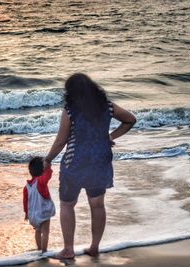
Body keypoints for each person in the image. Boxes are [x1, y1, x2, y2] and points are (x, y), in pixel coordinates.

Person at [43, 73, 136, 259]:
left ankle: (68, 249)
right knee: (97, 204)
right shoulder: (107, 106)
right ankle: (94, 247)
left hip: (75, 162)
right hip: (100, 160)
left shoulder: (70, 110)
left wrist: (48, 159)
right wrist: (110, 136)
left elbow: (61, 141)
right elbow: (130, 120)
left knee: (68, 204)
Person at [23, 156, 56, 253]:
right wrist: (48, 165)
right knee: (45, 232)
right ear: (42, 170)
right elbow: (48, 175)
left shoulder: (27, 187)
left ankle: (39, 249)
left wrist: (26, 214)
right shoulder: (41, 182)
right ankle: (44, 251)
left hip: (33, 215)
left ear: (30, 172)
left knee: (37, 231)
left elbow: (25, 202)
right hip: (43, 212)